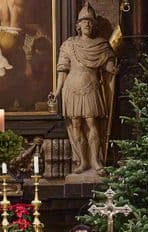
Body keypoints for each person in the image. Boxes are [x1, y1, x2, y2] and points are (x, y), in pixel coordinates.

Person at [49, 3, 116, 175]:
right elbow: (62, 70)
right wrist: (57, 92)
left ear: (94, 25)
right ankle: (82, 161)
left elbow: (108, 66)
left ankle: (95, 160)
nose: (87, 24)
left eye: (90, 22)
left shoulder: (101, 45)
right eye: (83, 21)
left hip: (91, 86)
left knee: (92, 123)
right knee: (76, 124)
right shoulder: (68, 45)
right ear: (77, 25)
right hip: (71, 88)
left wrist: (113, 68)